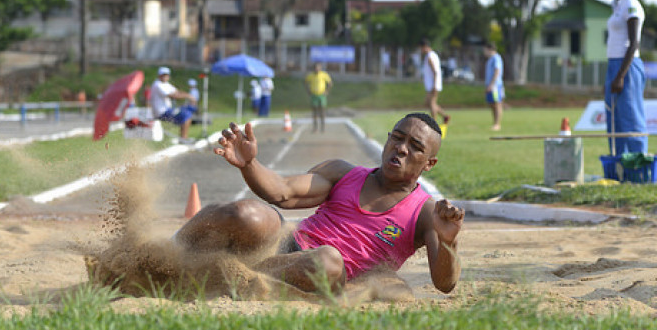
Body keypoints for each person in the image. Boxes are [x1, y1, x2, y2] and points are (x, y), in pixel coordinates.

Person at [172, 113, 464, 293]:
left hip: (328, 274)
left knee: (328, 261)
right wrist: (249, 164)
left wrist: (448, 242)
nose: (401, 148)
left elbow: (444, 284)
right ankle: (165, 253)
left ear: (430, 163)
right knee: (250, 214)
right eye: (398, 138)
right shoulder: (343, 173)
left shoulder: (426, 212)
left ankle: (236, 276)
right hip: (286, 246)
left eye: (415, 147)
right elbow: (283, 193)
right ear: (387, 139)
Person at [604, 0, 647, 156]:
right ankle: (619, 162)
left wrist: (621, 75)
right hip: (614, 63)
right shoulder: (617, 5)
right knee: (614, 116)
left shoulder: (630, 1)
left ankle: (638, 161)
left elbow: (634, 42)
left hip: (627, 66)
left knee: (631, 116)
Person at [149, 66, 197, 141]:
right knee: (186, 115)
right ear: (159, 75)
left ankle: (183, 137)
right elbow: (172, 96)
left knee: (188, 110)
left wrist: (189, 96)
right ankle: (183, 138)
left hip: (167, 110)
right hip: (161, 113)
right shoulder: (157, 85)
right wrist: (188, 96)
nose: (165, 77)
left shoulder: (166, 84)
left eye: (166, 75)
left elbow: (177, 92)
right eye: (163, 75)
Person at [419, 39, 450, 127]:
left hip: (433, 84)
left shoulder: (430, 56)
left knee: (431, 103)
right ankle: (445, 116)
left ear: (424, 47)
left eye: (421, 48)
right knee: (428, 103)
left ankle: (434, 123)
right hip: (431, 84)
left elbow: (435, 71)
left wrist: (434, 85)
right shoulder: (432, 55)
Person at [304, 62, 333, 133]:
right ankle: (315, 127)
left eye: (318, 67)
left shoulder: (324, 75)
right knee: (315, 112)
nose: (317, 69)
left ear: (320, 68)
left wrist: (326, 91)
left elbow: (330, 83)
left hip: (321, 95)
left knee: (322, 111)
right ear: (313, 68)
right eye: (315, 68)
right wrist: (308, 91)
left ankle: (323, 127)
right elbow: (305, 82)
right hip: (314, 95)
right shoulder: (310, 75)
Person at [483, 43, 504, 131]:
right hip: (490, 85)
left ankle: (497, 124)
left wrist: (492, 84)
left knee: (497, 104)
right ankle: (494, 123)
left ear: (489, 49)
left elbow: (497, 71)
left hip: (495, 86)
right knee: (492, 104)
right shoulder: (490, 59)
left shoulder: (496, 58)